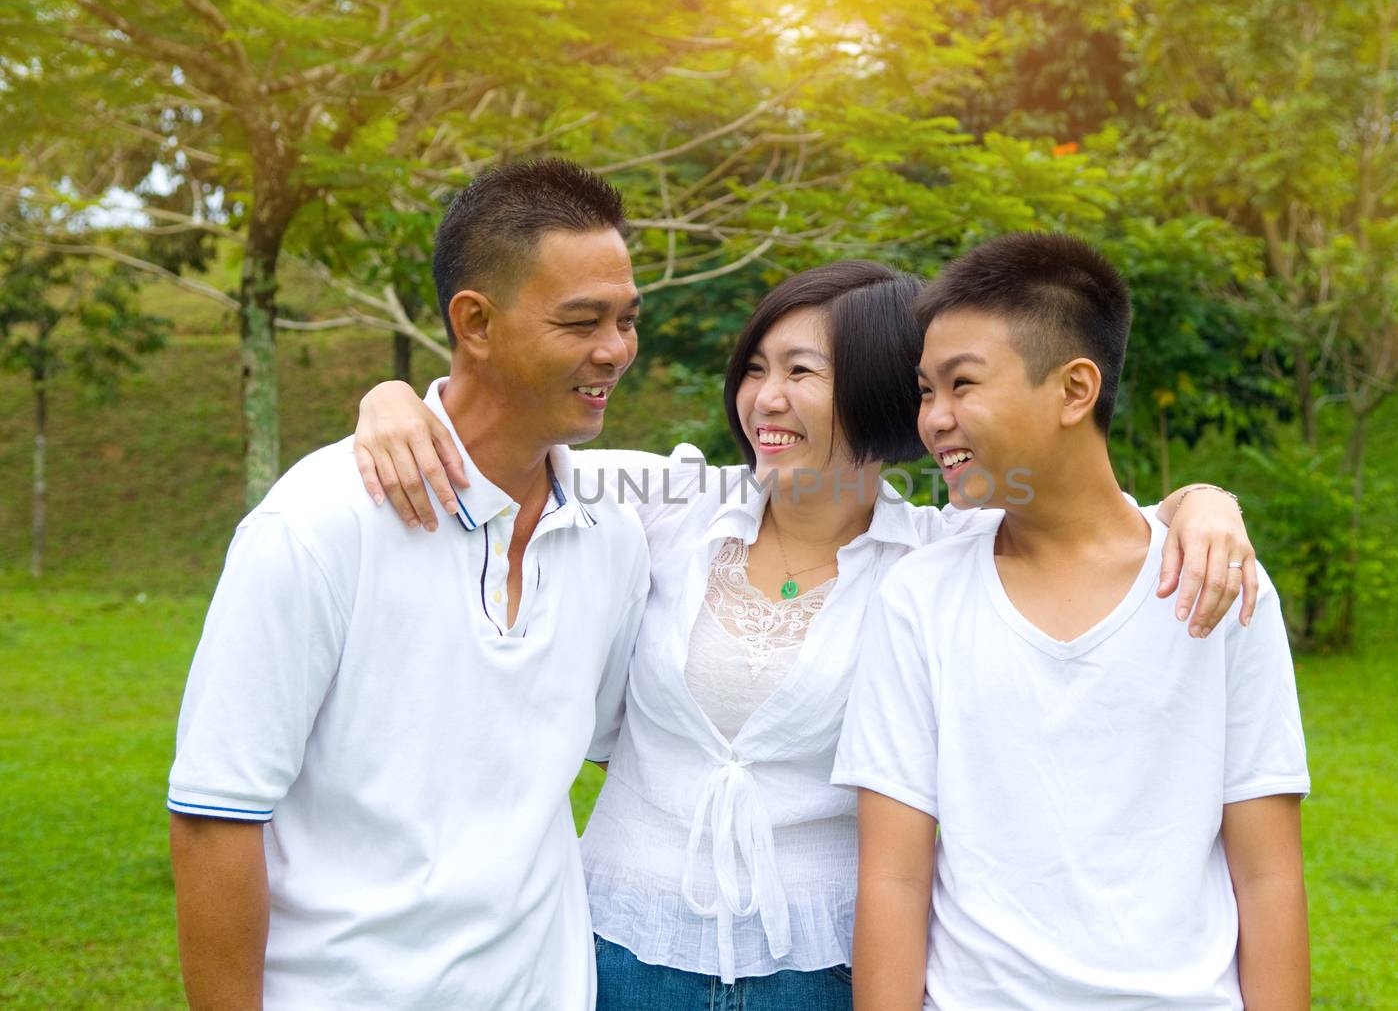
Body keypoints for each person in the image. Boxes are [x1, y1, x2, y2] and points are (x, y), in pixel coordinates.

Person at [354, 258, 1260, 1008]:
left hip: (821, 971)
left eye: (801, 372)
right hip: (620, 949)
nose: (765, 399)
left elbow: (1100, 521)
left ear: (873, 392)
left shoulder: (940, 555)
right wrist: (396, 399)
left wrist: (1206, 503)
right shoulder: (669, 509)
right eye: (755, 369)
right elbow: (503, 451)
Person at [166, 160, 651, 1009]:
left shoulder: (616, 533)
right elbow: (215, 820)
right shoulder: (318, 526)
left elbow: (792, 485)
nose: (614, 350)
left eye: (626, 319)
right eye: (582, 321)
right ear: (476, 322)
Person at [834, 232, 1311, 1011]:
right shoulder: (920, 596)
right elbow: (894, 874)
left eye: (962, 384)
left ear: (1075, 389)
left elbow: (1267, 873)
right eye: (926, 390)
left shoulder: (1218, 586)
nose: (935, 419)